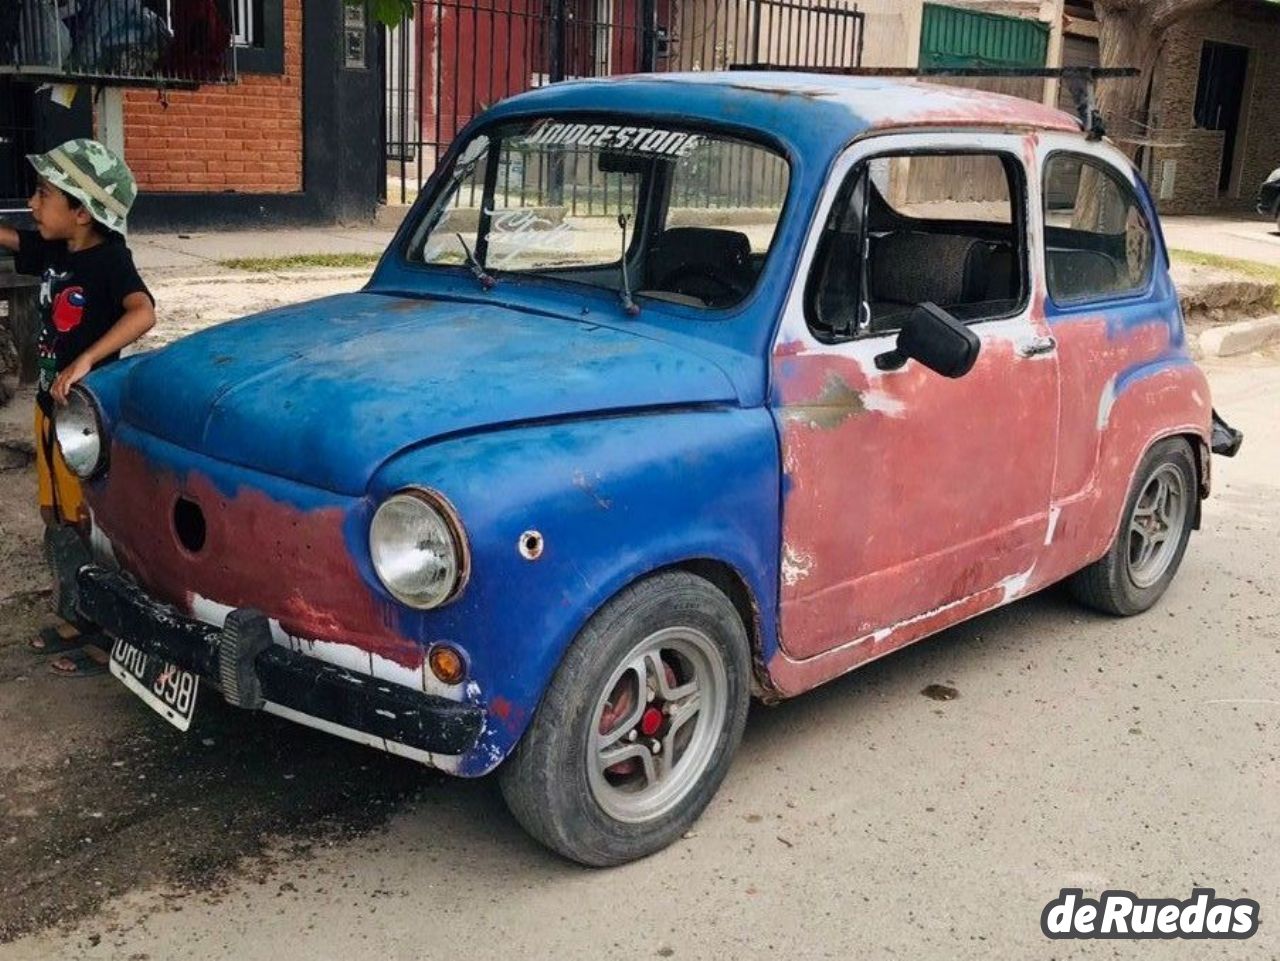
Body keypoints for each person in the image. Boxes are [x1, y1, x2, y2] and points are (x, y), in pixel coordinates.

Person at [0, 139, 155, 677]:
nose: (33, 203)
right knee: (56, 515)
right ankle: (76, 612)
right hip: (51, 411)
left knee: (90, 518)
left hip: (85, 419)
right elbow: (10, 237)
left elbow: (144, 312)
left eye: (43, 194)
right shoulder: (55, 250)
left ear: (82, 213)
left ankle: (101, 628)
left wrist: (88, 358)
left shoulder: (110, 259)